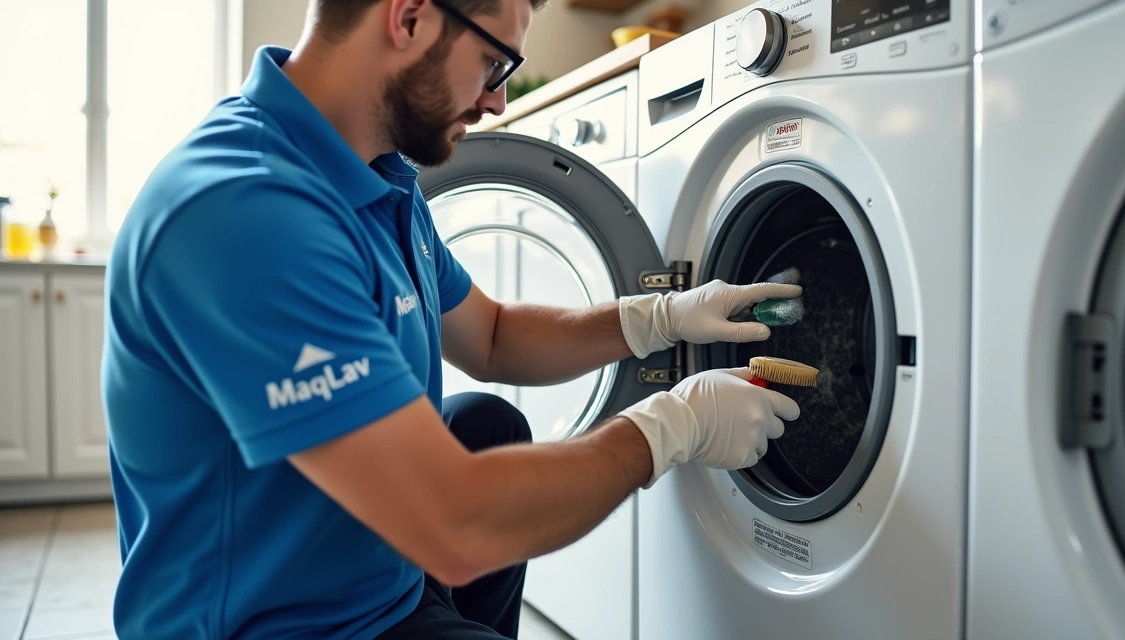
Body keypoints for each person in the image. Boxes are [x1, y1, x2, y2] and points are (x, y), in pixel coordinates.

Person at [100, 0, 802, 637]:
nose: (498, 101)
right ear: (408, 19)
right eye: (495, 63)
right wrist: (669, 429)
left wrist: (660, 318)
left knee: (486, 426)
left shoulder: (379, 176)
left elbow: (492, 336)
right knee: (468, 499)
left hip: (382, 577)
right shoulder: (244, 211)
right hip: (287, 626)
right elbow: (456, 527)